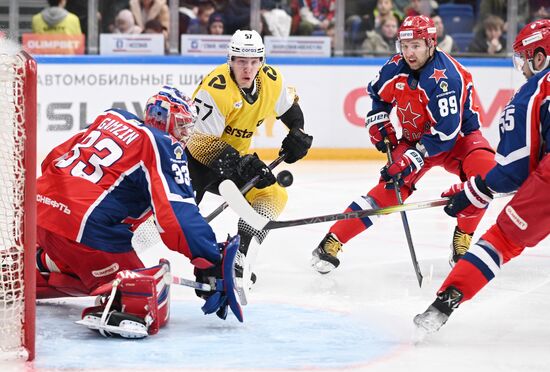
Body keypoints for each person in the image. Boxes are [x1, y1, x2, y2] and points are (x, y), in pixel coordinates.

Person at [36, 86, 244, 338]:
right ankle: (122, 302)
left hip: (39, 211)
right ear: (161, 119)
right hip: (86, 231)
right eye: (181, 124)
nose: (185, 133)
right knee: (149, 289)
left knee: (81, 265)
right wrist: (210, 258)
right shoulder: (163, 144)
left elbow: (51, 160)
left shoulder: (110, 118)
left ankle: (37, 265)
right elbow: (176, 216)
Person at [311, 15, 496, 274]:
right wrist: (378, 119)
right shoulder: (395, 66)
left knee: (485, 174)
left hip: (458, 140)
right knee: (391, 187)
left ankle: (463, 237)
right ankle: (333, 239)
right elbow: (378, 95)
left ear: (431, 44)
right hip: (414, 138)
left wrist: (412, 159)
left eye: (416, 46)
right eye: (405, 46)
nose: (409, 52)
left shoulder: (446, 80)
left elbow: (446, 134)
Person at [414, 19, 550, 334]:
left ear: (539, 57)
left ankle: (443, 305)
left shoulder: (534, 91)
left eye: (525, 59)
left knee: (502, 240)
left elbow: (515, 170)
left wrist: (473, 191)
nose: (524, 68)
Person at [185, 29, 313, 281]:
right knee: (174, 216)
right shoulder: (215, 88)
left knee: (273, 194)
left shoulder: (271, 80)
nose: (248, 68)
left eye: (254, 62)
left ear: (262, 62)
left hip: (233, 162)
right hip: (195, 163)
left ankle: (240, 253)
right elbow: (199, 143)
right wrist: (243, 164)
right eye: (241, 61)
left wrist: (297, 133)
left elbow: (290, 110)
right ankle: (119, 247)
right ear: (230, 60)